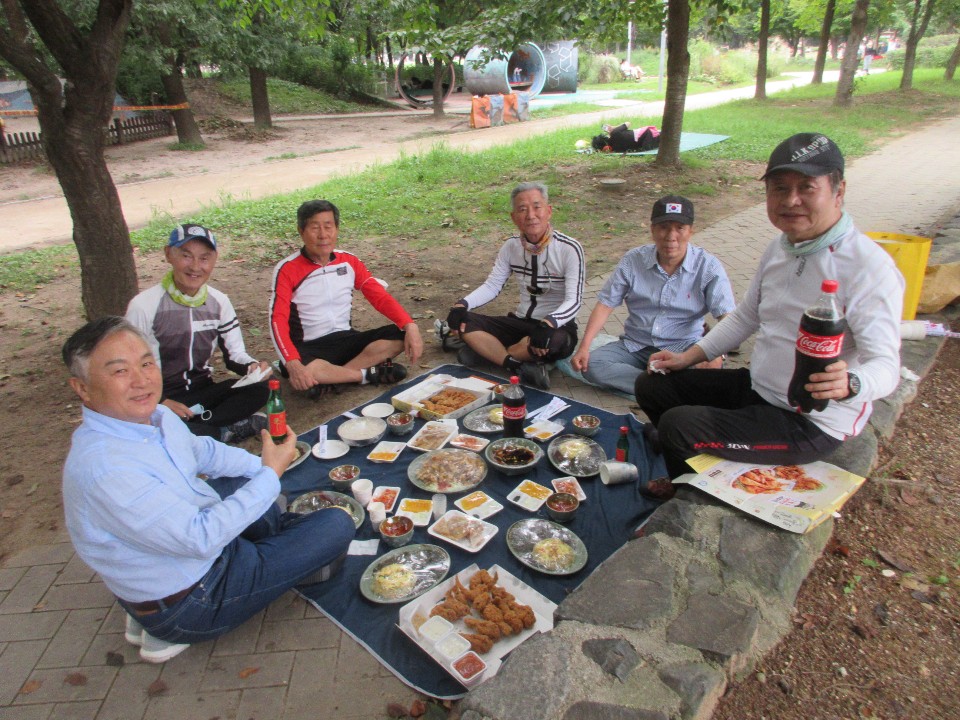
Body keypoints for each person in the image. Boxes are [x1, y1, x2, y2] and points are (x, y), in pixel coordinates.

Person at [61, 317, 355, 663]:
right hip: (192, 598)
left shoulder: (154, 416)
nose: (142, 381)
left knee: (251, 486)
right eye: (120, 371)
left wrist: (264, 467)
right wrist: (269, 476)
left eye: (146, 363)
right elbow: (200, 538)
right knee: (336, 524)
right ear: (82, 388)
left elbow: (203, 452)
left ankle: (277, 546)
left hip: (184, 557)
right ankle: (164, 625)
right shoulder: (105, 468)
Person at [635, 133, 903, 480]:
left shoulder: (868, 267)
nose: (791, 200)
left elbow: (886, 365)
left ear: (839, 191)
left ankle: (684, 482)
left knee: (679, 425)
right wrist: (687, 358)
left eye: (806, 188)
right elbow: (746, 316)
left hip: (809, 421)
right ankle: (691, 451)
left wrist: (851, 382)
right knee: (653, 384)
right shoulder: (780, 248)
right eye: (779, 188)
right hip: (759, 389)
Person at [571, 195, 735, 396]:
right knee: (593, 364)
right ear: (652, 230)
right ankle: (664, 385)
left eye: (680, 228)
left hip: (685, 348)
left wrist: (717, 353)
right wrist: (584, 346)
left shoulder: (708, 266)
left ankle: (656, 384)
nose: (671, 236)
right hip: (636, 346)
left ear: (691, 231)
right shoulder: (633, 260)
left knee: (709, 367)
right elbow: (605, 304)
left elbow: (727, 317)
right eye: (664, 227)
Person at [126, 224, 272, 443]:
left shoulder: (219, 302)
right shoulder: (144, 306)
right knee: (149, 420)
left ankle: (196, 430)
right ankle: (219, 431)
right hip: (157, 397)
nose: (195, 267)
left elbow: (234, 356)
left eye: (204, 258)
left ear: (214, 260)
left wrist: (253, 367)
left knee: (263, 386)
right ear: (169, 254)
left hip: (202, 391)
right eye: (186, 256)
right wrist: (161, 401)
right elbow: (129, 368)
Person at [270, 199, 423, 396]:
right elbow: (277, 319)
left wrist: (410, 325)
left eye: (328, 226)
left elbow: (379, 297)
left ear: (337, 229)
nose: (323, 235)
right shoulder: (287, 269)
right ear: (301, 231)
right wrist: (292, 362)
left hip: (345, 338)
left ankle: (333, 378)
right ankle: (364, 375)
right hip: (308, 348)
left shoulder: (348, 261)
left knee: (400, 337)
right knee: (304, 368)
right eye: (315, 228)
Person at [446, 181, 585, 390]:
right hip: (519, 322)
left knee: (555, 341)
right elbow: (492, 285)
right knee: (465, 321)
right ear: (513, 217)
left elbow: (574, 300)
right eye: (522, 209)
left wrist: (549, 323)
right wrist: (462, 305)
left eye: (537, 207)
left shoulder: (570, 249)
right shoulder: (511, 247)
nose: (530, 215)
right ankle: (516, 364)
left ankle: (489, 353)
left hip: (556, 327)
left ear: (548, 211)